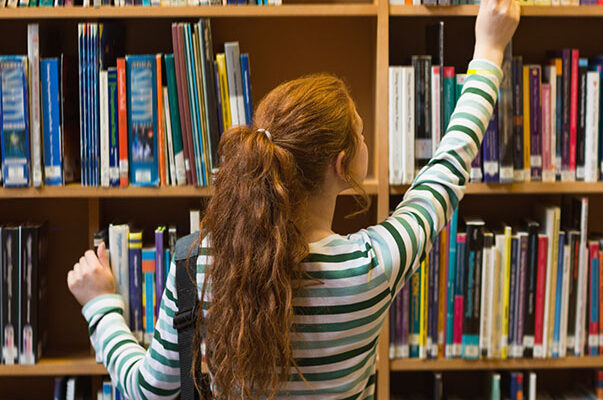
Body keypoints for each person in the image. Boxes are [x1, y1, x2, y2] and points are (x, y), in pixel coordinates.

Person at [67, 1, 519, 397]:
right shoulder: (374, 265)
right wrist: (489, 51)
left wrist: (100, 305)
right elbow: (447, 169)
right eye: (360, 134)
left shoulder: (197, 264)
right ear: (343, 165)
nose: (367, 140)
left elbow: (148, 389)